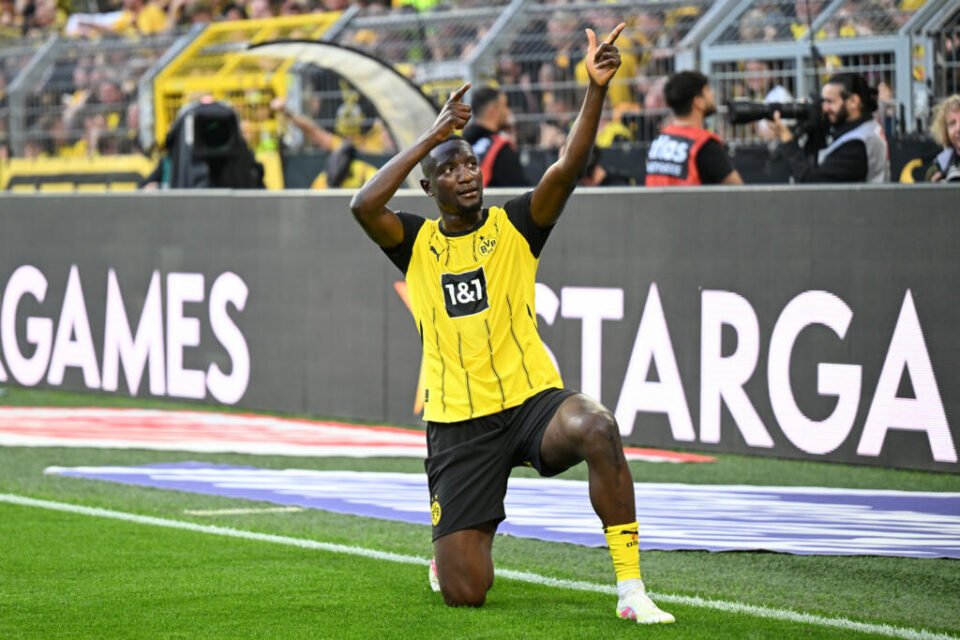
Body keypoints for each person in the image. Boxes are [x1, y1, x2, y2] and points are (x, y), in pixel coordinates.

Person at [348, 23, 674, 625]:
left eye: (471, 163)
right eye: (450, 169)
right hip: (458, 423)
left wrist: (595, 89)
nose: (466, 174)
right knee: (466, 592)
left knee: (598, 426)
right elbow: (363, 204)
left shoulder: (515, 226)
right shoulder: (415, 243)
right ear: (428, 186)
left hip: (530, 404)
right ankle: (452, 547)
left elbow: (567, 169)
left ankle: (631, 588)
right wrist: (434, 135)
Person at [768, 72, 889, 183]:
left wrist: (786, 138)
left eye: (830, 102)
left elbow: (814, 185)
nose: (824, 108)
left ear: (853, 101)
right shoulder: (866, 128)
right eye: (823, 102)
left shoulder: (856, 144)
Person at [645, 70, 743, 186]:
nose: (712, 94)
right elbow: (738, 190)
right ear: (698, 102)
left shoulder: (660, 141)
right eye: (707, 90)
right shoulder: (705, 145)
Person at [462, 86, 529, 187]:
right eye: (505, 106)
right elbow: (519, 188)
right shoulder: (502, 150)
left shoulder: (459, 145)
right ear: (493, 110)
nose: (507, 112)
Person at [925, 94, 960, 182]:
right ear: (945, 131)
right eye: (952, 123)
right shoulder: (938, 168)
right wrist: (935, 187)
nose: (958, 128)